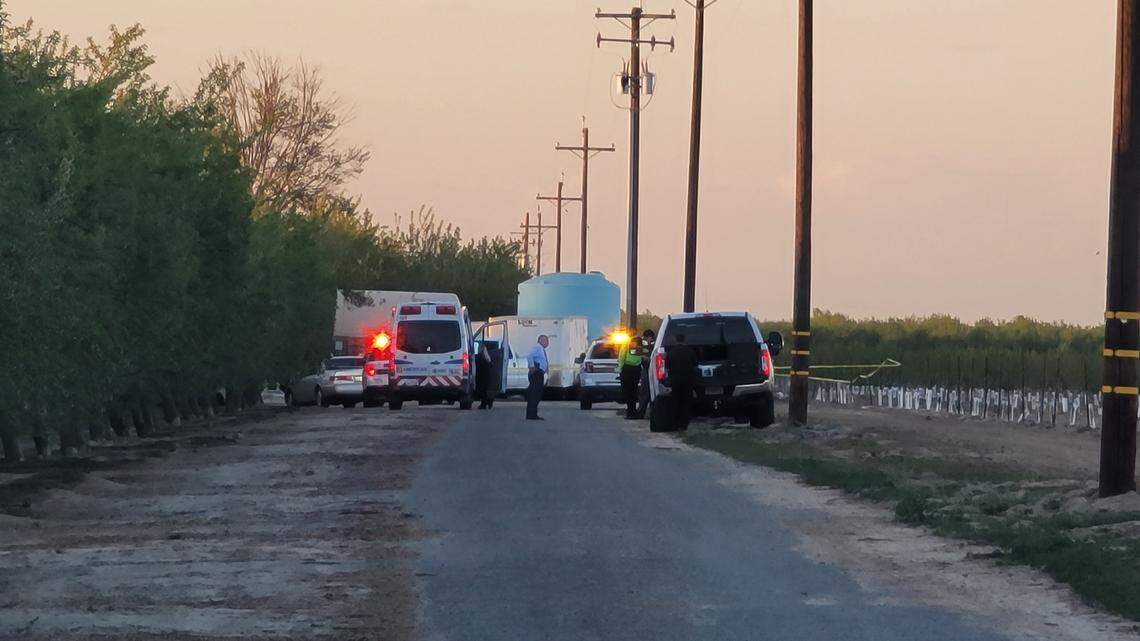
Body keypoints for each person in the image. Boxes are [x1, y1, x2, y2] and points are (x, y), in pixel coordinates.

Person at [664, 333, 698, 429]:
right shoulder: (690, 351)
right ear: (684, 340)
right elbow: (695, 364)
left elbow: (667, 366)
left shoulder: (671, 352)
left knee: (675, 401)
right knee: (686, 402)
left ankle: (675, 423)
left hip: (675, 380)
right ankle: (684, 424)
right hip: (687, 379)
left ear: (676, 340)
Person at [618, 330, 647, 419]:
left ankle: (630, 413)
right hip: (636, 370)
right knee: (634, 391)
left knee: (628, 392)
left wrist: (620, 369)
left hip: (627, 369)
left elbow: (622, 356)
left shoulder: (626, 343)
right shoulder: (641, 344)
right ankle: (633, 412)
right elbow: (645, 353)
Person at [525, 335, 549, 420]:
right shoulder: (537, 347)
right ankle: (531, 414)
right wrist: (532, 366)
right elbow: (529, 356)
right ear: (541, 340)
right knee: (534, 394)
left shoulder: (540, 349)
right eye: (546, 341)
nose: (547, 343)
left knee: (537, 394)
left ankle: (533, 414)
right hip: (536, 373)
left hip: (539, 373)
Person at [635, 328, 656, 419]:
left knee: (646, 393)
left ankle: (642, 413)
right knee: (648, 393)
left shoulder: (648, 346)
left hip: (648, 371)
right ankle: (649, 413)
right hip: (649, 370)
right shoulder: (650, 345)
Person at [475, 341, 493, 409]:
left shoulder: (480, 357)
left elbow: (478, 366)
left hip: (482, 377)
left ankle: (485, 403)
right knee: (484, 391)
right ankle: (488, 402)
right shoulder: (487, 357)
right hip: (486, 377)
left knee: (482, 391)